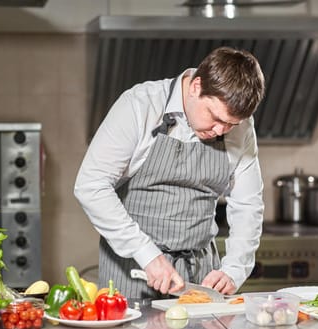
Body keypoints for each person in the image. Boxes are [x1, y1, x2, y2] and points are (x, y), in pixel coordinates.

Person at [74, 46, 265, 300]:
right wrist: (147, 254)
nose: (220, 130)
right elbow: (91, 185)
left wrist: (234, 269)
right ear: (196, 86)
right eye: (215, 117)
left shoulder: (239, 128)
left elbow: (248, 204)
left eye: (231, 124)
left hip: (201, 276)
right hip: (134, 270)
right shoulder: (140, 105)